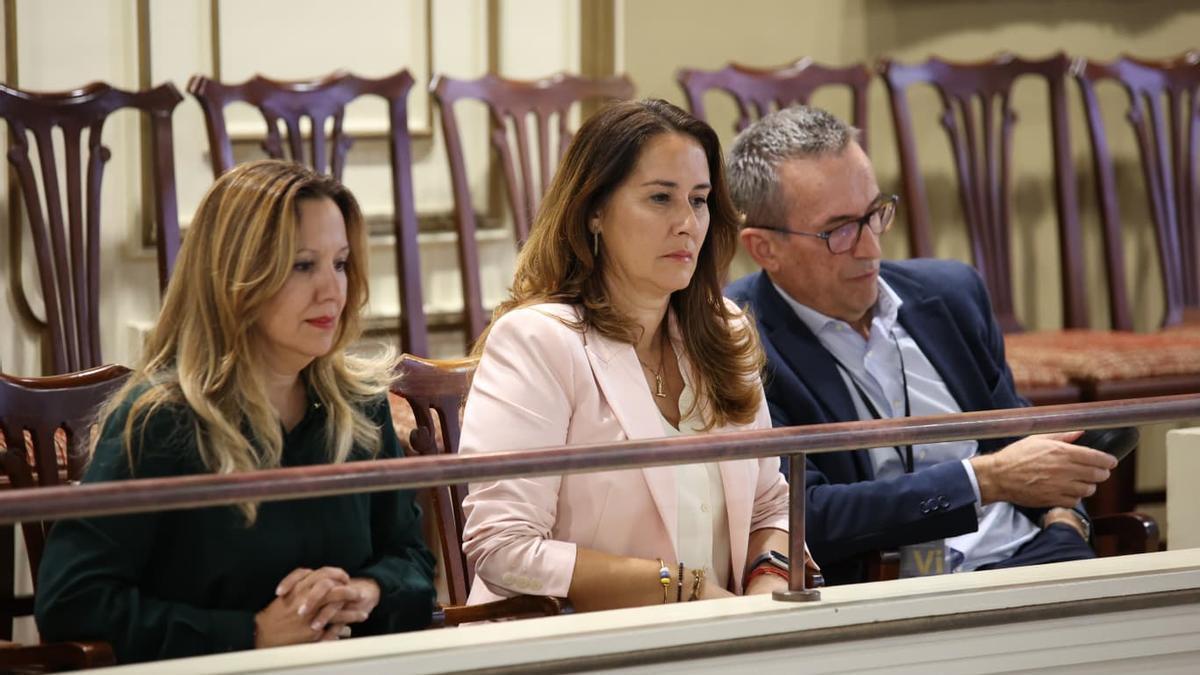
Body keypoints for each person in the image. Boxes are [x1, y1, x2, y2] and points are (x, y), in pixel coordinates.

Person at [34, 160, 436, 663]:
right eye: (303, 265)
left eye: (340, 263)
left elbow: (412, 560)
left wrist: (366, 591)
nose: (333, 290)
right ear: (235, 276)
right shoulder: (161, 419)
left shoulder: (362, 407)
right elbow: (72, 603)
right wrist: (251, 633)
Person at [724, 106, 1118, 586]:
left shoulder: (952, 294)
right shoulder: (738, 340)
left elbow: (1022, 438)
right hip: (892, 586)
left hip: (1035, 554)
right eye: (839, 230)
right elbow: (803, 513)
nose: (871, 247)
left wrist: (1066, 521)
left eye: (875, 214)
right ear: (764, 248)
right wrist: (983, 480)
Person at [459, 99, 811, 612]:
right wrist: (682, 587)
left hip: (724, 635)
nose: (687, 223)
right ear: (594, 211)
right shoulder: (537, 341)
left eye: (698, 200)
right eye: (660, 198)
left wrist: (766, 584)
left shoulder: (725, 330)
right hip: (574, 640)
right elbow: (504, 547)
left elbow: (770, 505)